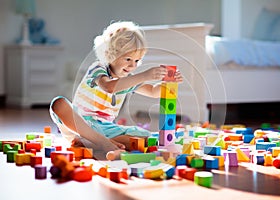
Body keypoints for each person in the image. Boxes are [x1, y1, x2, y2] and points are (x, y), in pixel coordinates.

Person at [50, 21, 183, 159]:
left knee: (143, 138)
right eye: (128, 59)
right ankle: (98, 142)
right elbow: (109, 87)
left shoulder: (129, 79)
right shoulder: (98, 68)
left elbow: (153, 91)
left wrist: (170, 82)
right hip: (81, 125)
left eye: (137, 61)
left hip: (106, 129)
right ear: (111, 54)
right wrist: (145, 75)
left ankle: (96, 144)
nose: (132, 65)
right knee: (59, 104)